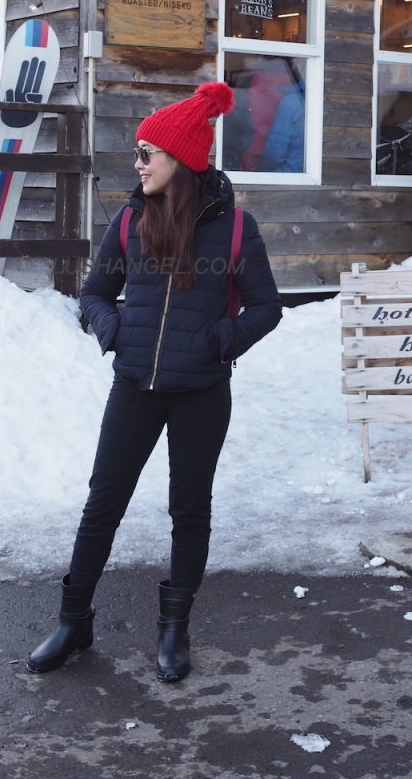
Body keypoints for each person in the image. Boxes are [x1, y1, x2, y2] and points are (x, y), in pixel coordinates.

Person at [26, 81, 283, 682]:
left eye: (147, 153)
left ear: (181, 161)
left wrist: (223, 341)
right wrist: (115, 331)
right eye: (137, 152)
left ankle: (175, 629)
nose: (136, 164)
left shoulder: (236, 228)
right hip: (134, 386)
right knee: (102, 505)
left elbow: (266, 307)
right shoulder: (128, 220)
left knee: (189, 510)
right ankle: (73, 621)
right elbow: (92, 293)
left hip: (201, 393)